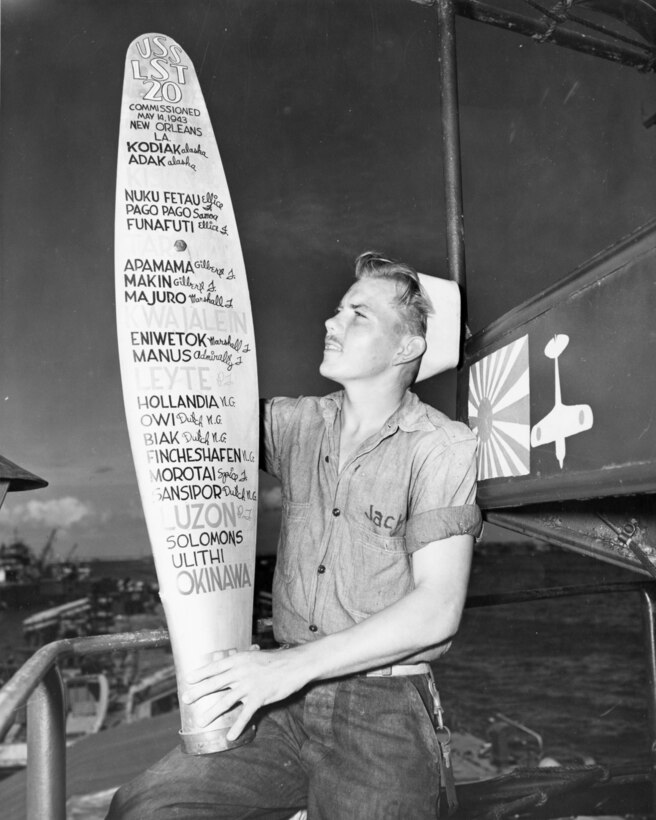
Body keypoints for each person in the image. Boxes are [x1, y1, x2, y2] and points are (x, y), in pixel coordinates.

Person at [108, 251, 481, 819]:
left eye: (358, 315)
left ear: (407, 347)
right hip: (283, 702)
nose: (330, 323)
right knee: (147, 807)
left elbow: (437, 610)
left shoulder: (441, 447)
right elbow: (198, 411)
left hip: (382, 710)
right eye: (337, 311)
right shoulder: (295, 424)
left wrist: (286, 669)